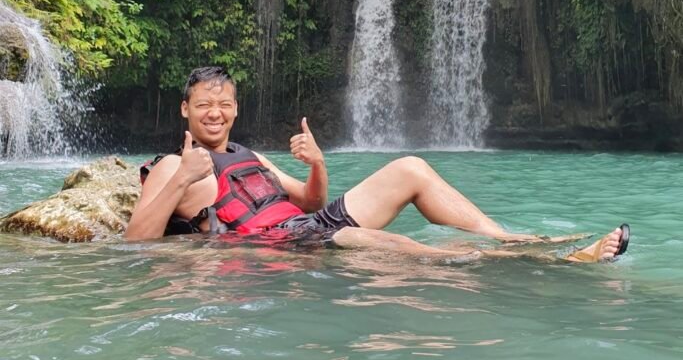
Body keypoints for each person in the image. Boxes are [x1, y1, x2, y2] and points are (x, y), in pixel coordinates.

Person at [124, 66, 630, 264]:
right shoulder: (174, 164)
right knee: (390, 242)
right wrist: (185, 180)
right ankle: (554, 264)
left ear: (235, 108)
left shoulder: (246, 155)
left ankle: (502, 238)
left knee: (409, 166)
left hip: (305, 225)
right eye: (204, 104)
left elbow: (312, 202)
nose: (216, 112)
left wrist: (318, 165)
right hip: (274, 244)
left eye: (225, 103)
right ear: (185, 110)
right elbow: (136, 239)